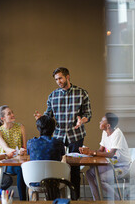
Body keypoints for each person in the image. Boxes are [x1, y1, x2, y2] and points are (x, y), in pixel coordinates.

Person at [34, 67, 92, 198]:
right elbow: (48, 116)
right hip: (58, 136)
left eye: (60, 78)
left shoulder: (81, 93)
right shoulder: (52, 95)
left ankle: (75, 198)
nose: (58, 81)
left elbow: (88, 114)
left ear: (68, 77)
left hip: (76, 135)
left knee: (75, 169)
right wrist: (40, 118)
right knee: (56, 168)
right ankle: (57, 198)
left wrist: (81, 121)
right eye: (56, 79)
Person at [79, 113, 130, 200]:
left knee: (100, 179)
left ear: (108, 125)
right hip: (111, 164)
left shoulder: (117, 134)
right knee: (89, 174)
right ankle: (97, 200)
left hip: (122, 166)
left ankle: (117, 199)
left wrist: (92, 152)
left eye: (102, 121)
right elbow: (100, 151)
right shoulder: (105, 133)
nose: (100, 122)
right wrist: (87, 152)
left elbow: (111, 154)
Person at [0, 105, 27, 200]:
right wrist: (17, 151)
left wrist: (23, 151)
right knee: (21, 170)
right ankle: (23, 200)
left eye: (12, 112)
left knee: (24, 168)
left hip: (18, 161)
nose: (12, 115)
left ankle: (24, 199)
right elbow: (6, 148)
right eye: (9, 114)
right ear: (2, 118)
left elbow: (24, 148)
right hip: (4, 162)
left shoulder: (21, 127)